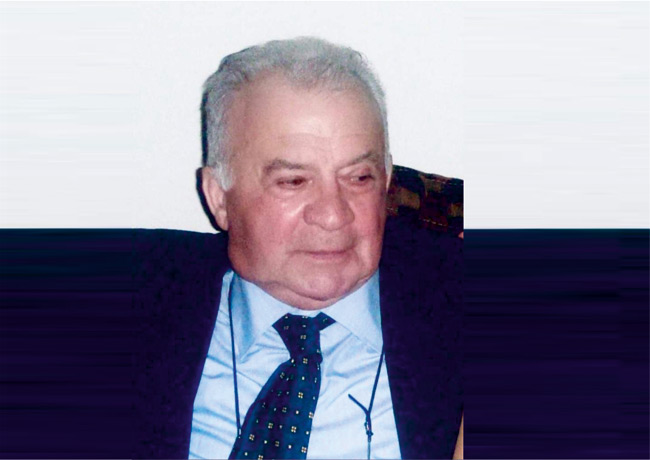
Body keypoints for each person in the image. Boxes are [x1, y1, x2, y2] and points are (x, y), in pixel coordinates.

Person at [135, 37, 462, 459]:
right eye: (293, 181)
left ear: (385, 181)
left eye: (359, 178)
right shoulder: (136, 299)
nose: (333, 215)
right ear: (218, 197)